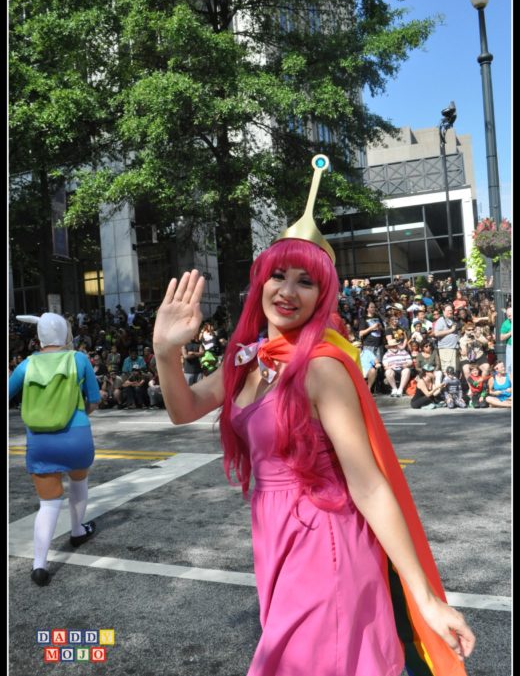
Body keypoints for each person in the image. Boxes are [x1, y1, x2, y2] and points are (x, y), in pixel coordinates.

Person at [152, 155, 474, 676]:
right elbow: (182, 410)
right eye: (278, 275)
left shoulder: (323, 368)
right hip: (274, 534)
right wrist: (166, 352)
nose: (287, 291)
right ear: (260, 284)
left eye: (306, 281)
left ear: (322, 295)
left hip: (325, 540)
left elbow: (368, 485)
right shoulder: (249, 357)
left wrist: (426, 598)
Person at [8, 313, 100, 586]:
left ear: (40, 338)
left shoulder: (27, 364)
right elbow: (94, 400)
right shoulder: (79, 359)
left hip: (40, 441)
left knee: (48, 504)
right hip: (76, 435)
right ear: (64, 334)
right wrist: (82, 413)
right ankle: (77, 530)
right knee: (78, 482)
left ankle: (39, 564)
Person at [433, 304, 461, 373]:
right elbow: (436, 333)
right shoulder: (440, 320)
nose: (450, 312)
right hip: (446, 348)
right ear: (443, 311)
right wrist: (451, 330)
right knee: (447, 370)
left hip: (454, 348)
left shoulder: (452, 320)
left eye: (451, 310)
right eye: (448, 310)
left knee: (454, 370)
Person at [499, 307, 512, 377]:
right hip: (510, 346)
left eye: (510, 315)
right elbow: (501, 338)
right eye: (508, 315)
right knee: (509, 366)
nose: (509, 317)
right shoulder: (505, 323)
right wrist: (510, 333)